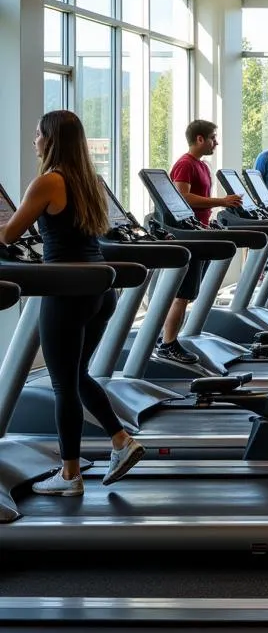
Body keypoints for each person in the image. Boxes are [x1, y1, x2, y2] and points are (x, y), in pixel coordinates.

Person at [0, 110, 145, 495]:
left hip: (67, 290)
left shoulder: (48, 181)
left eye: (37, 134)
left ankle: (69, 475)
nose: (34, 141)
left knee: (63, 383)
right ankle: (121, 441)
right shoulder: (90, 181)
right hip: (100, 291)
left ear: (50, 139)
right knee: (78, 376)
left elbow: (10, 233)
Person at [156, 119, 243, 364]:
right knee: (182, 294)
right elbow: (181, 198)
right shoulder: (185, 164)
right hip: (188, 237)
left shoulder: (202, 167)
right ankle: (167, 344)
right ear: (200, 139)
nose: (216, 142)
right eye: (213, 138)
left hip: (201, 233)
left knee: (189, 294)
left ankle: (166, 337)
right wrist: (221, 202)